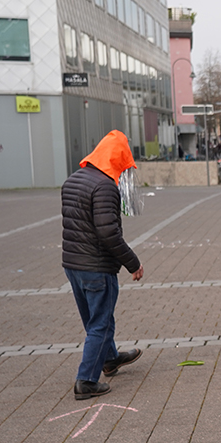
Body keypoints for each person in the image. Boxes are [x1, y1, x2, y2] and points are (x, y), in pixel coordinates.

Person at [60, 130, 145, 400]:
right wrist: (133, 263)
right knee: (101, 323)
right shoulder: (105, 186)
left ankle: (109, 358)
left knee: (94, 320)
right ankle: (86, 380)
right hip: (96, 267)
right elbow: (108, 233)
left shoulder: (74, 179)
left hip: (73, 264)